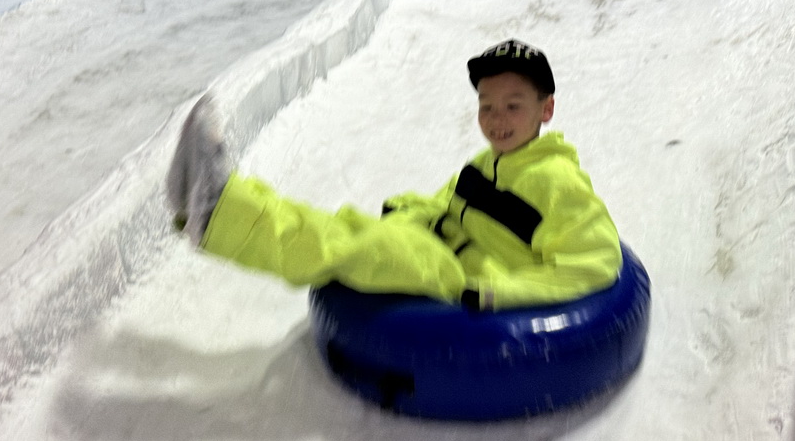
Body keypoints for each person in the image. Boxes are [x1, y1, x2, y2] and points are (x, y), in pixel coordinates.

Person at [166, 39, 622, 311]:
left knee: (342, 245)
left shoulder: (559, 183)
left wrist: (496, 293)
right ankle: (218, 201)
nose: (495, 119)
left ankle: (216, 214)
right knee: (340, 225)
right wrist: (411, 210)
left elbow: (596, 264)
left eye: (513, 106)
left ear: (547, 109)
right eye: (486, 105)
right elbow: (449, 203)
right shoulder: (488, 163)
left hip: (462, 271)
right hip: (439, 243)